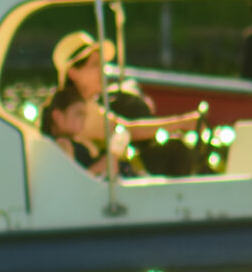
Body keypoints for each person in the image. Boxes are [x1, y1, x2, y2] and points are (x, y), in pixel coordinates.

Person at [50, 29, 206, 173]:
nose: (103, 71)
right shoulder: (78, 110)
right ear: (73, 73)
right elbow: (128, 130)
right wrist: (183, 122)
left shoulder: (87, 106)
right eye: (95, 65)